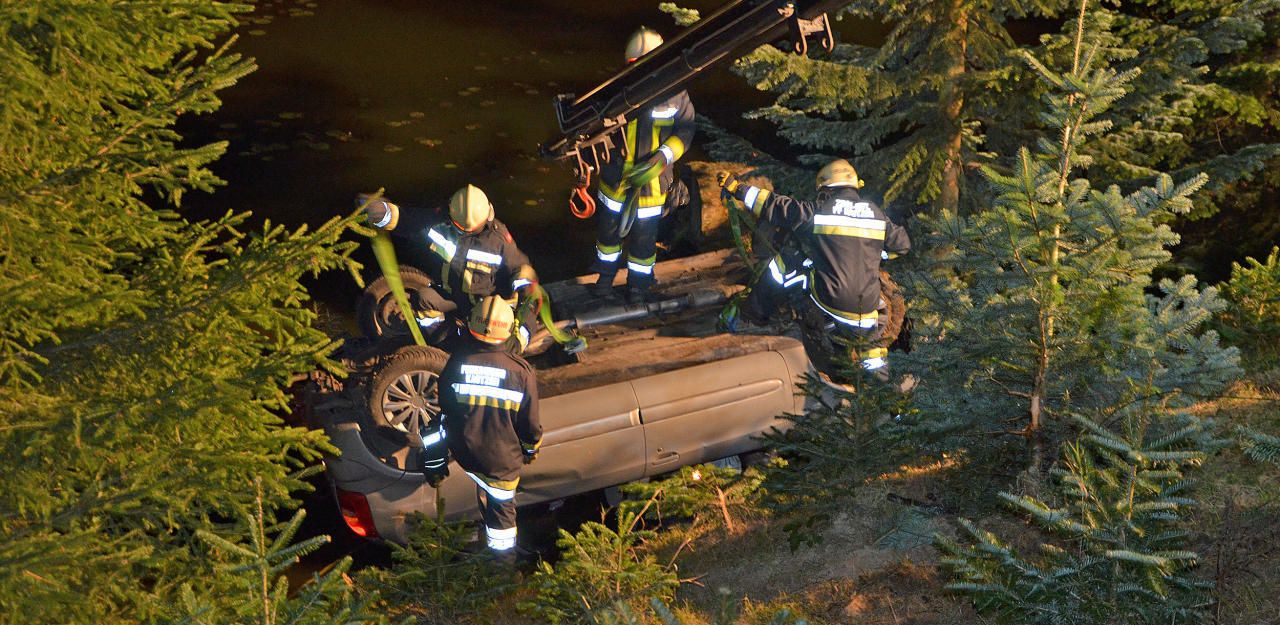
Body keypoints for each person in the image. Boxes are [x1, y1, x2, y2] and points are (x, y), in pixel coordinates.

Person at [717, 159, 910, 383]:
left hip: (829, 299)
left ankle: (752, 315)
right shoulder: (876, 215)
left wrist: (737, 188)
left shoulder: (819, 211)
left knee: (783, 264)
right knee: (873, 356)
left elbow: (774, 205)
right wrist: (876, 255)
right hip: (866, 309)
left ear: (827, 189)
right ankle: (886, 394)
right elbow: (903, 245)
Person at [589, 26, 696, 305]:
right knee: (608, 238)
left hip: (652, 184)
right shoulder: (614, 90)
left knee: (644, 241)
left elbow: (686, 129)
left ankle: (638, 287)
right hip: (616, 182)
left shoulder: (674, 92)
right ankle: (604, 280)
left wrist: (663, 156)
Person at [364, 184, 539, 347]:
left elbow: (521, 271)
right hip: (455, 297)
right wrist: (384, 213)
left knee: (486, 340)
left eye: (472, 229)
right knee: (424, 299)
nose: (465, 232)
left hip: (486, 307)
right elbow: (411, 221)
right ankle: (438, 344)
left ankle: (481, 346)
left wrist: (522, 334)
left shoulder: (498, 241)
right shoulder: (441, 224)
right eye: (460, 228)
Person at [438, 296, 542, 559]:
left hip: (465, 451)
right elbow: (529, 425)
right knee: (502, 523)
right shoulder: (521, 372)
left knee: (485, 490)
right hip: (500, 463)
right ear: (508, 331)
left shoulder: (457, 362)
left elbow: (445, 407)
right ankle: (502, 568)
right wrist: (530, 450)